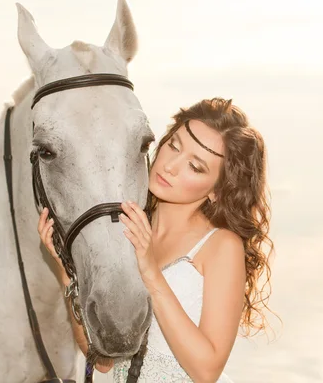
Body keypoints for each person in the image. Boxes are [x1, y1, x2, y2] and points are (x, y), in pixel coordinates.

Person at [38, 98, 275, 382]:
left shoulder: (221, 246)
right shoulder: (126, 232)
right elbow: (101, 360)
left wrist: (150, 271)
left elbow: (207, 370)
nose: (171, 165)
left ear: (219, 192)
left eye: (195, 166)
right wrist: (67, 275)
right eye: (173, 146)